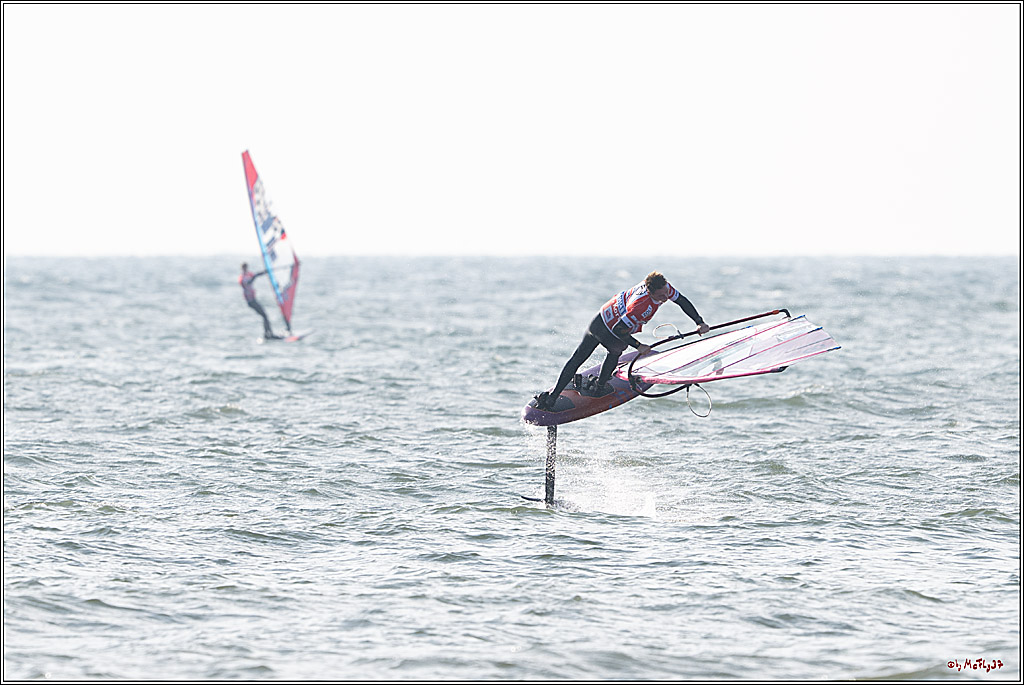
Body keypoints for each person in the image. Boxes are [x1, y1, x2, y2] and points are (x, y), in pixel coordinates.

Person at [535, 271, 710, 410]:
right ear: (650, 292)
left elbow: (682, 301)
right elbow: (619, 329)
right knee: (616, 350)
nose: (666, 297)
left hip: (598, 318)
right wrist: (639, 346)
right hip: (607, 327)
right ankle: (600, 386)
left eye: (666, 293)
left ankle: (552, 397)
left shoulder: (663, 287)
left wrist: (699, 322)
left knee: (579, 357)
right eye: (662, 295)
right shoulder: (641, 305)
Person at [239, 262, 279, 339]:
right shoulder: (241, 278)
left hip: (254, 299)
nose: (245, 269)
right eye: (244, 268)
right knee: (264, 316)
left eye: (246, 267)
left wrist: (265, 272)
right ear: (242, 269)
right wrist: (255, 277)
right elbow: (248, 282)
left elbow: (255, 275)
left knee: (264, 316)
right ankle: (268, 334)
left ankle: (268, 334)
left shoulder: (249, 274)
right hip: (250, 301)